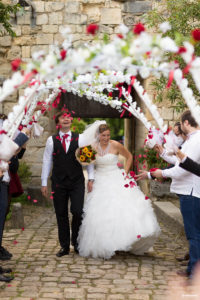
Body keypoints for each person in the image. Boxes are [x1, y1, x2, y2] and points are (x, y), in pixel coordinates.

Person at [77, 123, 161, 259]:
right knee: (102, 213)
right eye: (103, 135)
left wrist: (125, 173)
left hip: (116, 177)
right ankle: (107, 243)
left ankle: (125, 240)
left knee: (122, 210)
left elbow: (129, 157)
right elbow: (86, 164)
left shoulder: (115, 144)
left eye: (108, 135)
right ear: (97, 135)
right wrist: (90, 178)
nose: (106, 138)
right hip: (100, 181)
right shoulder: (91, 147)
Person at [151, 110, 200, 278]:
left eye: (181, 122)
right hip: (188, 191)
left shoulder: (195, 140)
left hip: (191, 192)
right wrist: (164, 153)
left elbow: (184, 168)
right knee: (194, 234)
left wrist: (162, 174)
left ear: (186, 123)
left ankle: (193, 273)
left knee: (193, 234)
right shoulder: (192, 140)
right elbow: (180, 161)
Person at [41, 111, 96, 257]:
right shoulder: (51, 140)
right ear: (58, 122)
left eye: (68, 117)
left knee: (77, 211)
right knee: (61, 214)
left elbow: (88, 160)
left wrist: (91, 178)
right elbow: (47, 161)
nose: (66, 119)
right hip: (58, 182)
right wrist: (43, 182)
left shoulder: (81, 138)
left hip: (77, 181)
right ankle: (64, 246)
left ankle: (76, 242)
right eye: (62, 117)